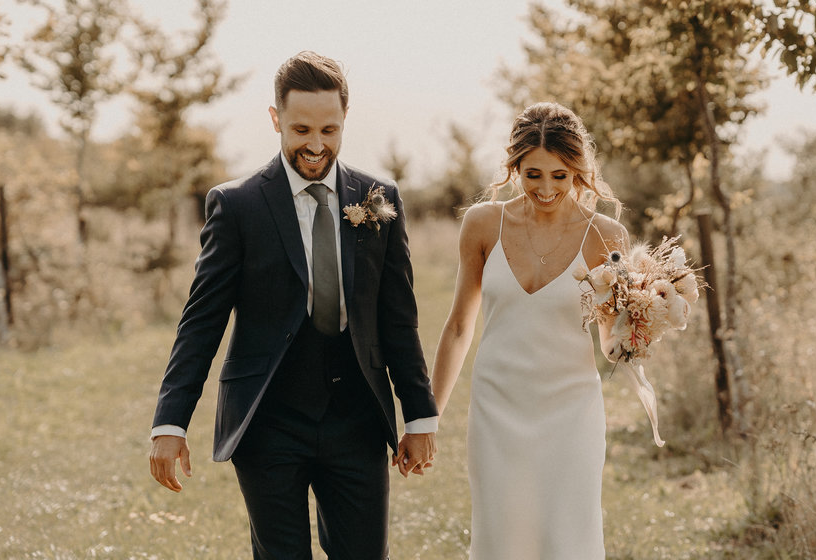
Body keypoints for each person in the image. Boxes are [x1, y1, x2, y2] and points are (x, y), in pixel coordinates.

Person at [148, 51, 439, 560]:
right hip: (268, 420)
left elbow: (398, 319)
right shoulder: (236, 205)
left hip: (357, 419)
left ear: (345, 120)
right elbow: (201, 323)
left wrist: (418, 418)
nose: (316, 144)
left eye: (330, 129)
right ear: (275, 118)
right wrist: (170, 423)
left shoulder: (379, 198)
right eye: (301, 128)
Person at [429, 102, 627, 559]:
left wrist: (637, 332)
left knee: (568, 541)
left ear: (578, 171)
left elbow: (611, 345)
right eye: (532, 173)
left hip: (571, 413)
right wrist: (429, 417)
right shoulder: (482, 224)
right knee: (501, 541)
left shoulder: (606, 236)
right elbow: (459, 326)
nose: (546, 188)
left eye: (560, 175)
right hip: (497, 410)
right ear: (514, 166)